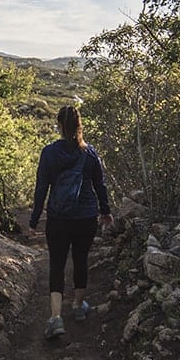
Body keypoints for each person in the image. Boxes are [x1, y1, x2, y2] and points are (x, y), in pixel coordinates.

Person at [29, 105, 114, 339]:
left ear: (59, 125)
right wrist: (105, 211)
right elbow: (100, 185)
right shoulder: (90, 153)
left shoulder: (49, 153)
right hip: (85, 216)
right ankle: (78, 306)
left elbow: (41, 188)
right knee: (80, 259)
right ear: (79, 125)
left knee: (57, 264)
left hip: (58, 217)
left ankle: (56, 318)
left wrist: (34, 220)